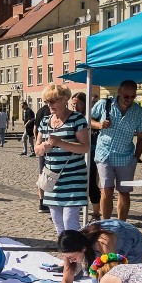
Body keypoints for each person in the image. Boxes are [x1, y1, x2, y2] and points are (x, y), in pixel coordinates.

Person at [34, 83, 90, 235]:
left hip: (73, 178)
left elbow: (85, 147)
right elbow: (37, 148)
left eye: (53, 101)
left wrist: (60, 143)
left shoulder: (77, 119)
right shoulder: (45, 121)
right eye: (47, 102)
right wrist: (43, 147)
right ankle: (67, 256)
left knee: (69, 222)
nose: (49, 105)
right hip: (52, 180)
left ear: (64, 99)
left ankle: (77, 255)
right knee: (58, 223)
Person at [90, 80, 142, 221]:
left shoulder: (138, 112)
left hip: (126, 156)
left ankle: (121, 225)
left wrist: (136, 157)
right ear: (119, 92)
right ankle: (105, 223)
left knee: (124, 192)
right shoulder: (104, 104)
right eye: (126, 96)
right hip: (104, 154)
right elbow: (88, 119)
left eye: (132, 96)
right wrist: (98, 125)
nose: (129, 99)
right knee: (107, 190)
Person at [55, 220, 142, 283]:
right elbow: (67, 279)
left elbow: (112, 275)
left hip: (131, 241)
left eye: (72, 257)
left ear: (83, 249)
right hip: (102, 245)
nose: (71, 260)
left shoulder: (103, 242)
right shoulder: (68, 248)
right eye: (67, 257)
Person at [71, 92, 101, 219]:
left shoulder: (90, 116)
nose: (75, 107)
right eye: (73, 104)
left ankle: (96, 212)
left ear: (85, 104)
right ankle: (75, 209)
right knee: (76, 181)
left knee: (90, 182)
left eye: (78, 104)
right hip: (75, 152)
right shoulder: (72, 117)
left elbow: (93, 124)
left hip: (91, 152)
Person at [33, 103, 52, 213]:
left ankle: (42, 202)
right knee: (45, 175)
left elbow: (35, 128)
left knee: (42, 174)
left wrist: (37, 144)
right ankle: (45, 202)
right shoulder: (47, 114)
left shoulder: (40, 111)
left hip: (42, 148)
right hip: (48, 148)